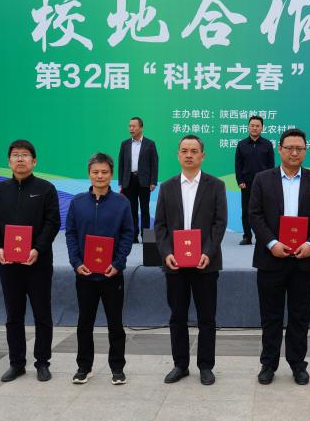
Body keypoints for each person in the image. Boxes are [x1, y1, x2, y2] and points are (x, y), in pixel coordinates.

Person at [249, 127, 310, 385]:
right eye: (289, 148)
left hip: (304, 259)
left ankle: (298, 364)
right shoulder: (262, 179)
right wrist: (271, 243)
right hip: (271, 258)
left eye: (299, 148)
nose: (294, 153)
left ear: (305, 151)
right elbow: (255, 215)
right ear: (280, 149)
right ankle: (268, 364)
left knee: (299, 315)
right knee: (270, 316)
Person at [0, 139, 61, 383]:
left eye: (25, 155)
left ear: (34, 161)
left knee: (42, 314)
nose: (20, 159)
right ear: (9, 161)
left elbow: (52, 223)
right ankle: (16, 363)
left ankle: (42, 362)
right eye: (15, 155)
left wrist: (37, 249)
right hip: (9, 264)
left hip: (38, 263)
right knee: (13, 316)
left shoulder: (46, 189)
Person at [154, 135, 228, 386]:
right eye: (184, 150)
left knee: (207, 317)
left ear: (202, 156)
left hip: (205, 263)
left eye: (194, 151)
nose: (189, 155)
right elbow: (160, 226)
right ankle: (180, 365)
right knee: (177, 316)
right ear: (178, 155)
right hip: (175, 263)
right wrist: (167, 253)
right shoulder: (167, 187)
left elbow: (219, 223)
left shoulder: (215, 185)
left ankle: (205, 366)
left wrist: (208, 251)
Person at [65, 153, 135, 386]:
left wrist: (118, 263)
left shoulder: (122, 203)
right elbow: (71, 234)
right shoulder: (77, 203)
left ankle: (117, 368)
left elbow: (127, 235)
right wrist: (76, 262)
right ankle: (84, 367)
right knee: (85, 323)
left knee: (115, 323)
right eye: (95, 172)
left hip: (111, 274)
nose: (100, 176)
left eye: (104, 172)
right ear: (89, 174)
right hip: (85, 274)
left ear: (111, 174)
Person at [234, 115, 275, 245]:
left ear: (262, 128)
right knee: (246, 211)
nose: (254, 128)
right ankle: (247, 236)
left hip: (263, 184)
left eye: (257, 126)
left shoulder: (267, 144)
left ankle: (261, 237)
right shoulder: (241, 144)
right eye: (252, 125)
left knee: (263, 211)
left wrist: (270, 182)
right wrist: (240, 180)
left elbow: (271, 165)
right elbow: (238, 165)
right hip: (246, 183)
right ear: (248, 127)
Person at [118, 116, 159, 242]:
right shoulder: (125, 144)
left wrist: (153, 181)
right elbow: (121, 164)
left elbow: (154, 163)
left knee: (145, 209)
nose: (131, 128)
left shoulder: (150, 144)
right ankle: (133, 236)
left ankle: (146, 237)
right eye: (130, 126)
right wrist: (121, 181)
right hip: (129, 180)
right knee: (132, 210)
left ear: (141, 127)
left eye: (134, 126)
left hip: (144, 181)